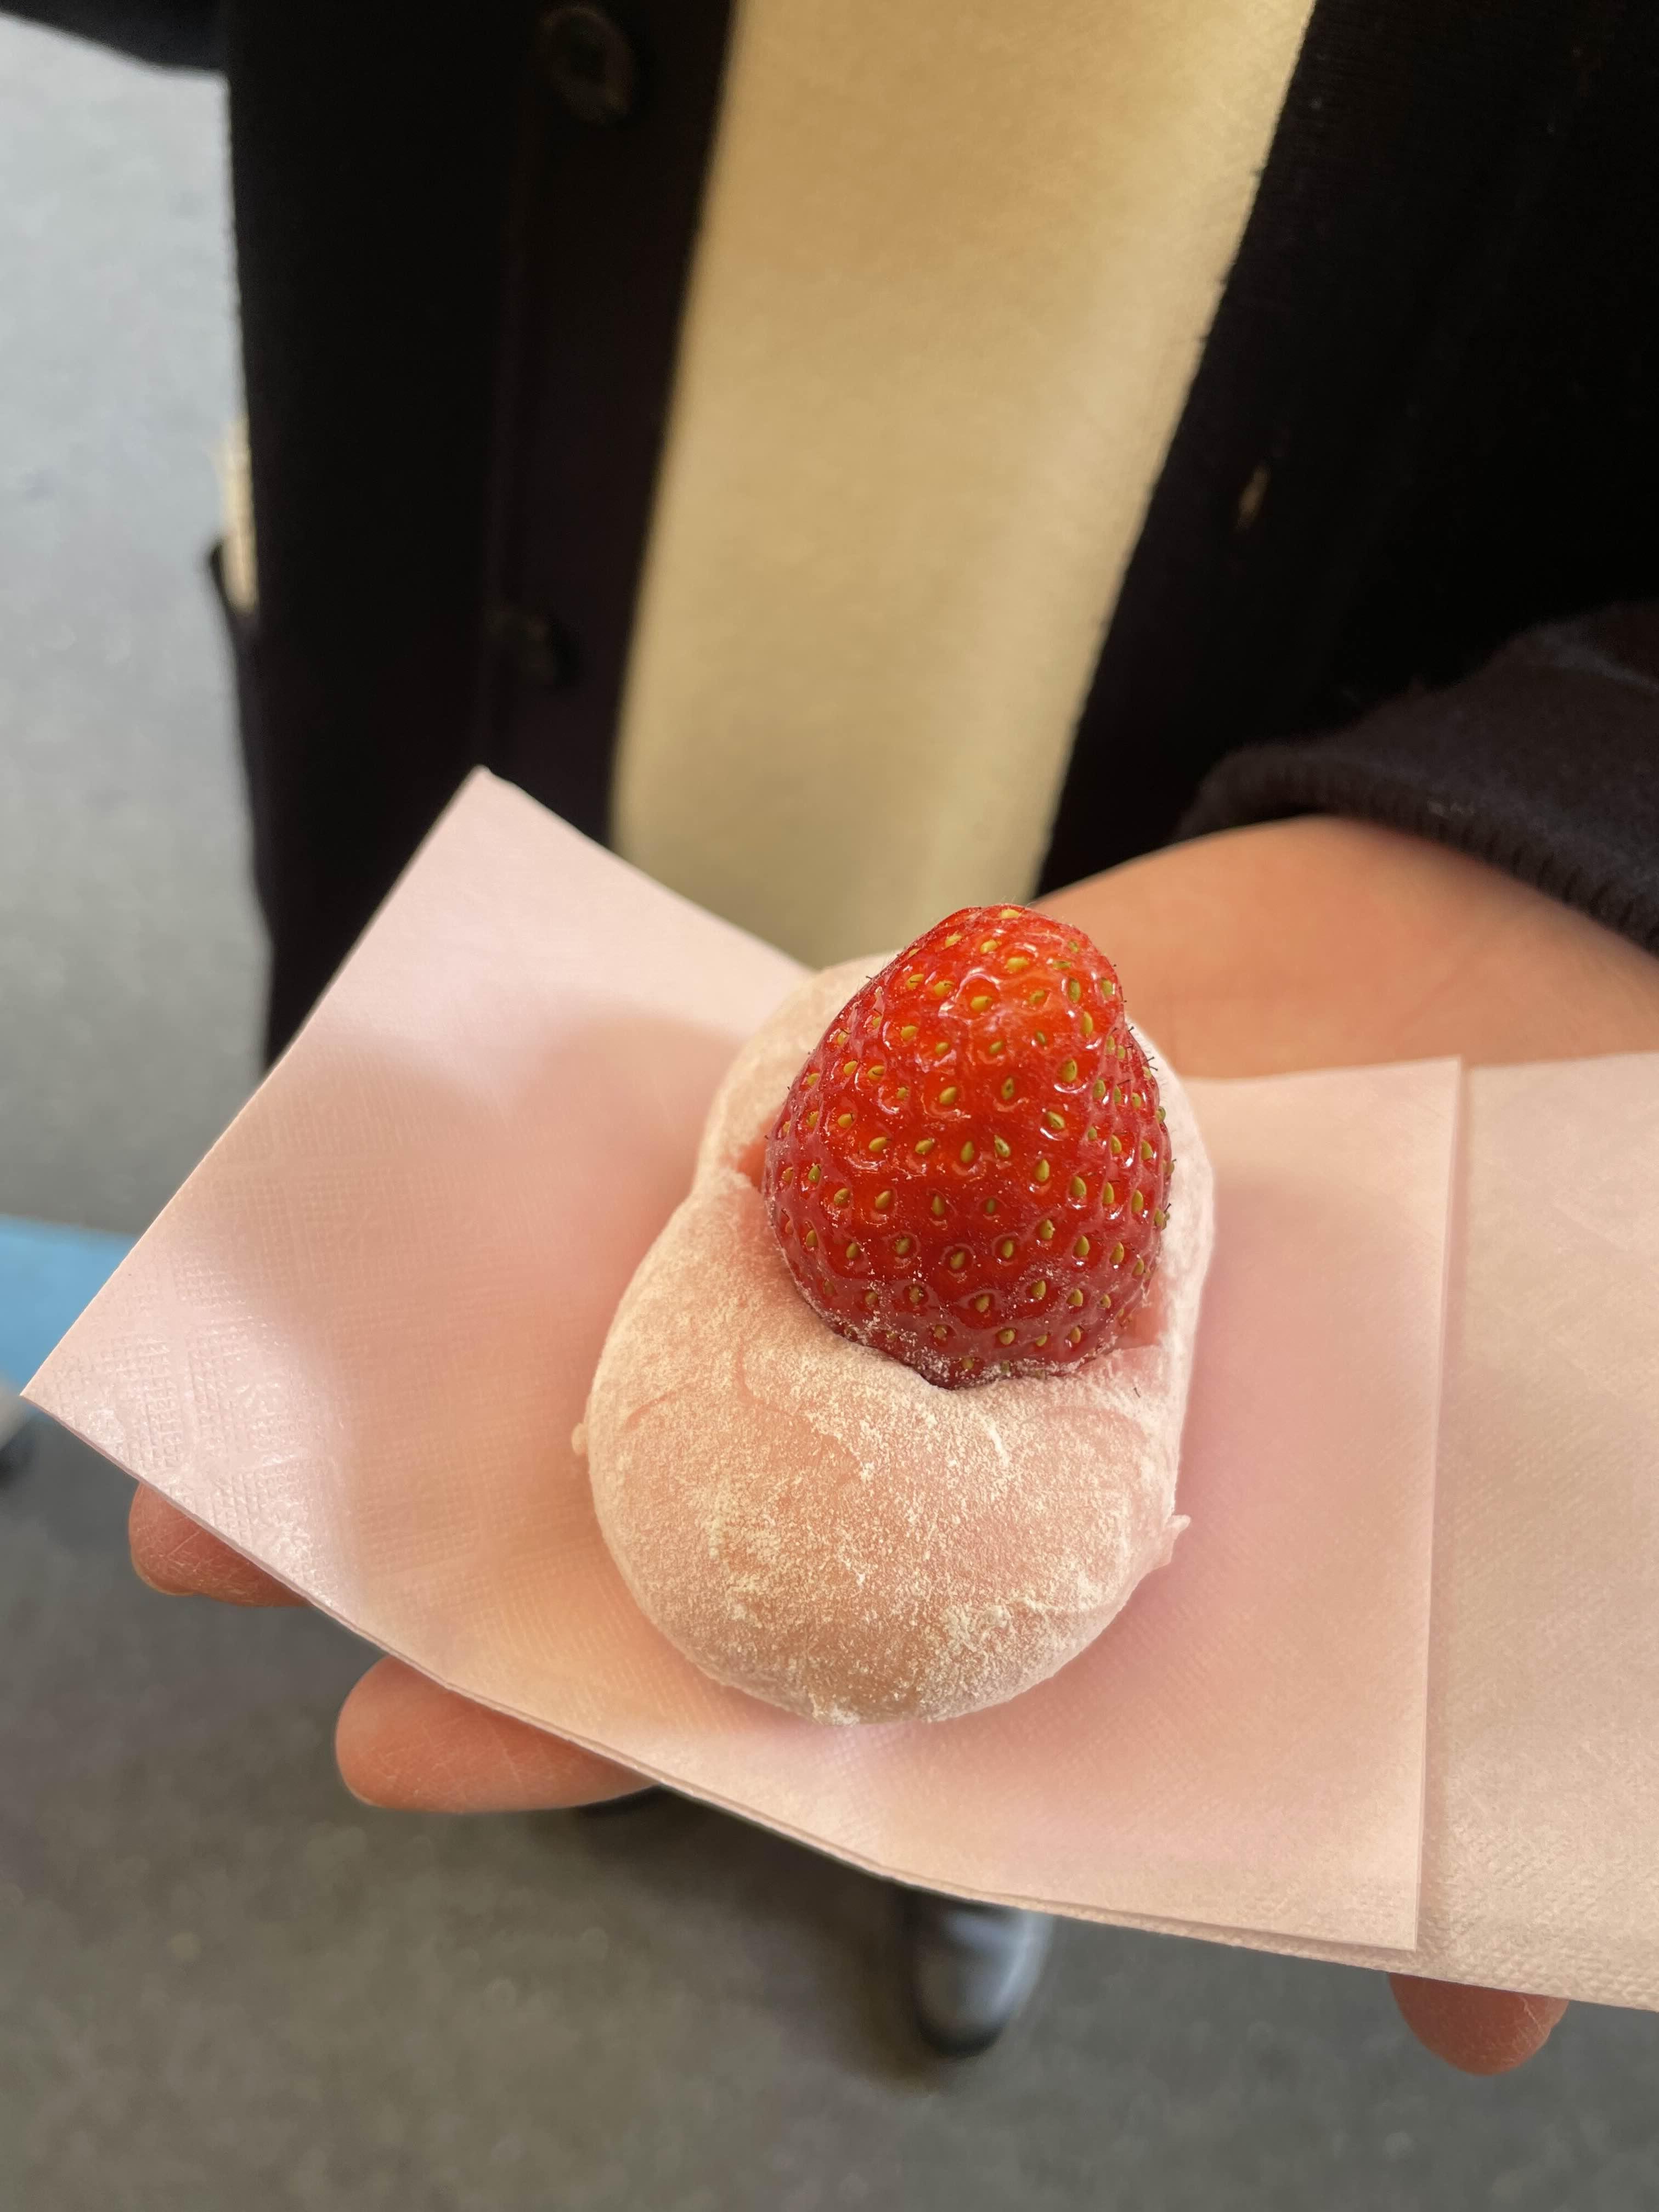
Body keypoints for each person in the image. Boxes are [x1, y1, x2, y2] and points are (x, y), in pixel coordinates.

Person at [20, 0, 1659, 2070]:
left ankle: (986, 1857)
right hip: (503, 604)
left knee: (1004, 1716)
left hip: (1242, 713)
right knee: (462, 1389)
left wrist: (1591, 801)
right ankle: (796, 1780)